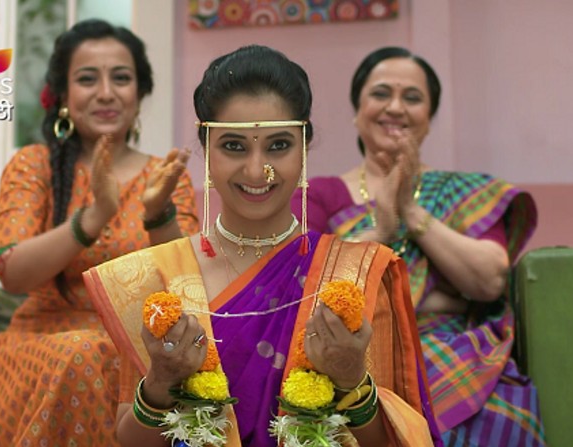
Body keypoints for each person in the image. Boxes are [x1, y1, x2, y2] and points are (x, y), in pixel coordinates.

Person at [84, 45, 438, 447]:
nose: (257, 170)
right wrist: (161, 382)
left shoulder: (355, 276)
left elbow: (394, 440)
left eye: (278, 145)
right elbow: (131, 439)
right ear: (206, 151)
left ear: (303, 148)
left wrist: (351, 378)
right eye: (234, 146)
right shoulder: (158, 278)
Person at [0, 19, 198, 446]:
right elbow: (13, 273)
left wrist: (158, 213)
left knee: (114, 361)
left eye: (121, 78)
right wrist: (95, 216)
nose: (106, 92)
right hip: (40, 349)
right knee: (82, 353)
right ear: (63, 96)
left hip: (136, 354)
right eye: (87, 79)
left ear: (140, 93)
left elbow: (187, 285)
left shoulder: (166, 176)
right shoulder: (34, 165)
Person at [292, 46, 544, 446]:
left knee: (504, 419)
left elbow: (489, 281)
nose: (395, 107)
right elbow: (306, 281)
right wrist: (383, 230)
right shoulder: (318, 195)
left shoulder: (464, 191)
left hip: (461, 361)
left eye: (412, 97)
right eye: (380, 94)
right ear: (357, 111)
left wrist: (411, 213)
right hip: (355, 355)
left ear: (428, 118)